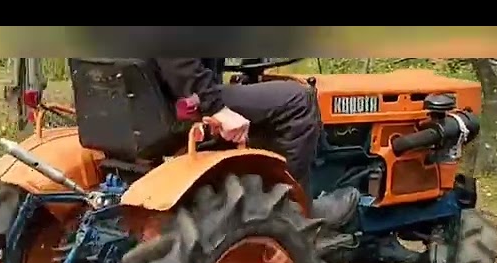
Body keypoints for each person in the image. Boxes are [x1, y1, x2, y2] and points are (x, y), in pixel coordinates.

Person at [152, 58, 360, 231]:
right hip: (178, 102)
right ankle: (295, 212)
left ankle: (258, 194)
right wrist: (215, 107)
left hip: (142, 110)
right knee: (298, 102)